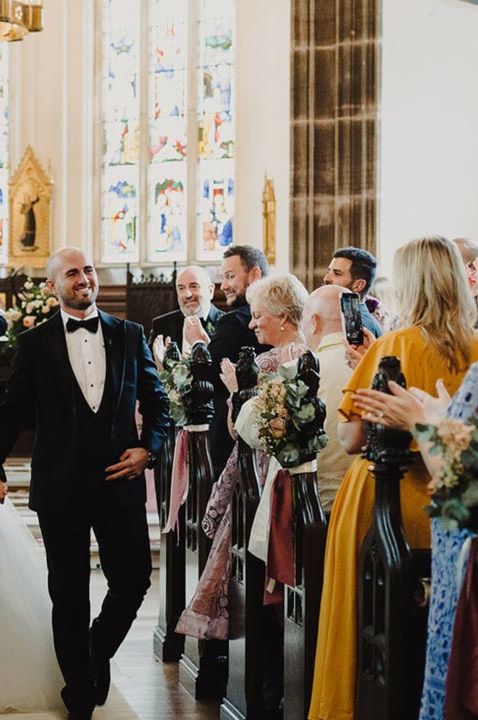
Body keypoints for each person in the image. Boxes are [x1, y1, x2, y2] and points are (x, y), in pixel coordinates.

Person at [309, 235, 478, 720]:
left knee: (362, 622)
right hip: (447, 511)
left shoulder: (391, 345)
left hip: (384, 506)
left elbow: (351, 438)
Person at [0, 247, 170, 720]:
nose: (84, 279)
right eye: (72, 273)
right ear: (53, 285)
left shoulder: (130, 335)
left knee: (134, 579)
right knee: (68, 593)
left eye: (89, 270)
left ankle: (96, 652)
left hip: (120, 482)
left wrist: (148, 449)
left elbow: (157, 404)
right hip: (62, 488)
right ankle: (78, 694)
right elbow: (11, 411)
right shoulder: (34, 344)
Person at [175, 272, 309, 640]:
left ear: (282, 316)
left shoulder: (275, 363)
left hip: (267, 479)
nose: (251, 323)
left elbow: (243, 431)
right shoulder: (288, 357)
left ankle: (264, 660)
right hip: (263, 475)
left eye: (258, 315)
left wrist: (238, 393)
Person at [184, 244, 271, 475]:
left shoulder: (233, 322)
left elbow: (206, 375)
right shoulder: (275, 318)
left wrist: (198, 344)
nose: (224, 285)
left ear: (255, 275)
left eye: (230, 276)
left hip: (231, 435)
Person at [301, 284, 355, 510]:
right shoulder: (377, 362)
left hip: (318, 502)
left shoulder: (302, 370)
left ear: (314, 322)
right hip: (369, 496)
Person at [149, 264, 224, 357]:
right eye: (181, 288)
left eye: (194, 286)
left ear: (210, 291)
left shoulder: (227, 323)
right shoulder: (161, 324)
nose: (187, 294)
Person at [323, 246, 383, 337]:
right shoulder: (350, 316)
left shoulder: (357, 327)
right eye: (328, 272)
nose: (326, 278)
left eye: (337, 274)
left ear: (358, 285)